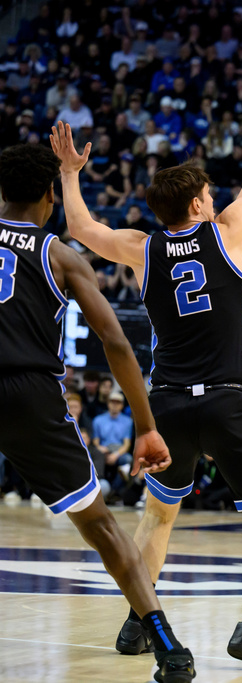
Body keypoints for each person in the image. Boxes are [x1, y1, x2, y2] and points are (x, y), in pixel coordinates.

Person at [51, 60, 242, 671]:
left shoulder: (142, 249)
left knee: (158, 518)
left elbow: (78, 226)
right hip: (227, 400)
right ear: (201, 202)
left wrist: (71, 173)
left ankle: (135, 625)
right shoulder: (228, 231)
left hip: (168, 403)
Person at [0, 143, 194, 681]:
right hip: (30, 393)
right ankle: (168, 648)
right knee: (103, 527)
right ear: (48, 197)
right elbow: (115, 341)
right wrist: (147, 426)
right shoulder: (59, 254)